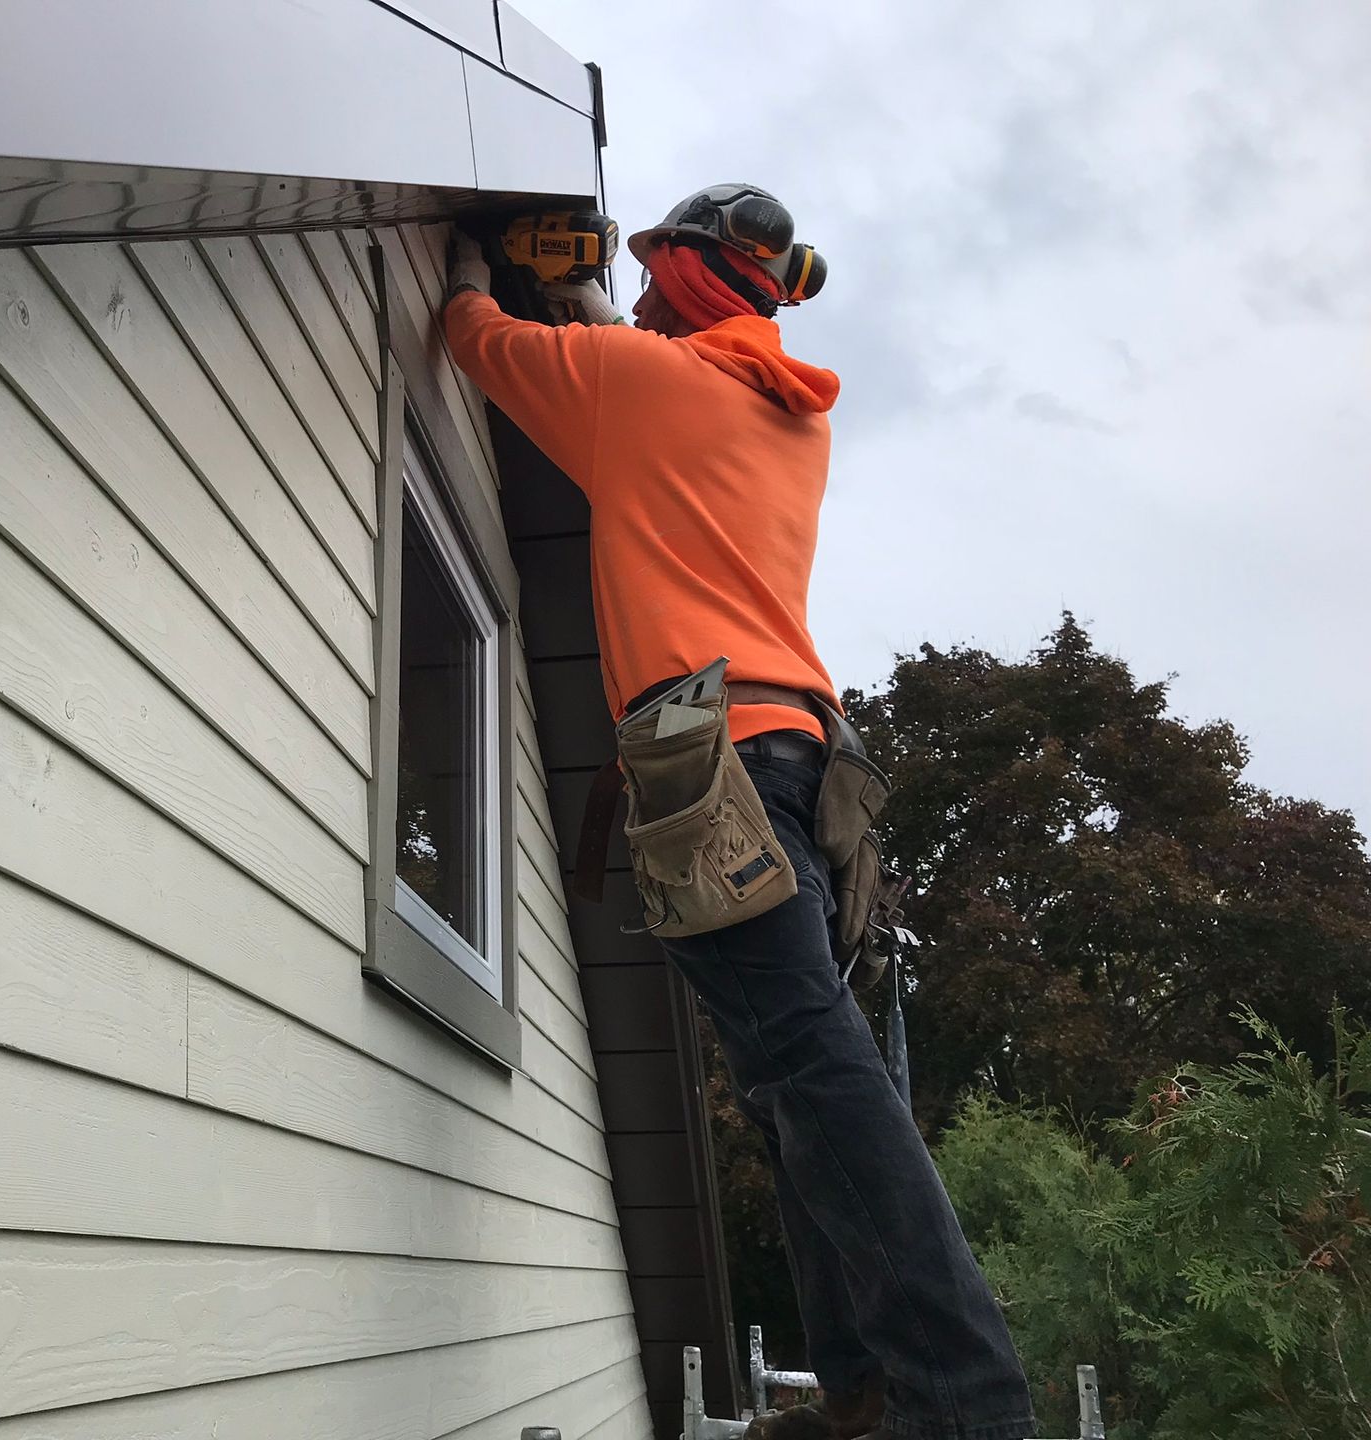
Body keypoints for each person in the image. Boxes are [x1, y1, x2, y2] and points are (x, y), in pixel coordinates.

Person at [443, 186, 1037, 1440]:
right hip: (814, 761)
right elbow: (663, 361)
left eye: (659, 277)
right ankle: (864, 1392)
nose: (638, 295)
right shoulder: (785, 416)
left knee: (812, 1069)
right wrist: (605, 303)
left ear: (698, 291)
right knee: (790, 1085)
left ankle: (962, 1405)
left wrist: (463, 268)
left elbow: (477, 347)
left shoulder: (636, 384)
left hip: (712, 759)